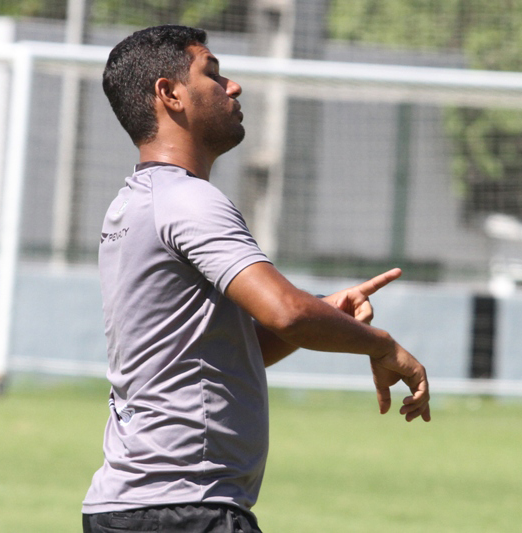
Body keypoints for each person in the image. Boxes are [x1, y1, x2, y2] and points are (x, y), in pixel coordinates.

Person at [82, 25, 431, 533]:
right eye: (214, 74)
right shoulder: (188, 201)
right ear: (169, 94)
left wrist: (326, 313)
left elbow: (224, 351)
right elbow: (285, 312)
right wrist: (381, 345)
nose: (233, 87)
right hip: (182, 507)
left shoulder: (136, 201)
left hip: (138, 506)